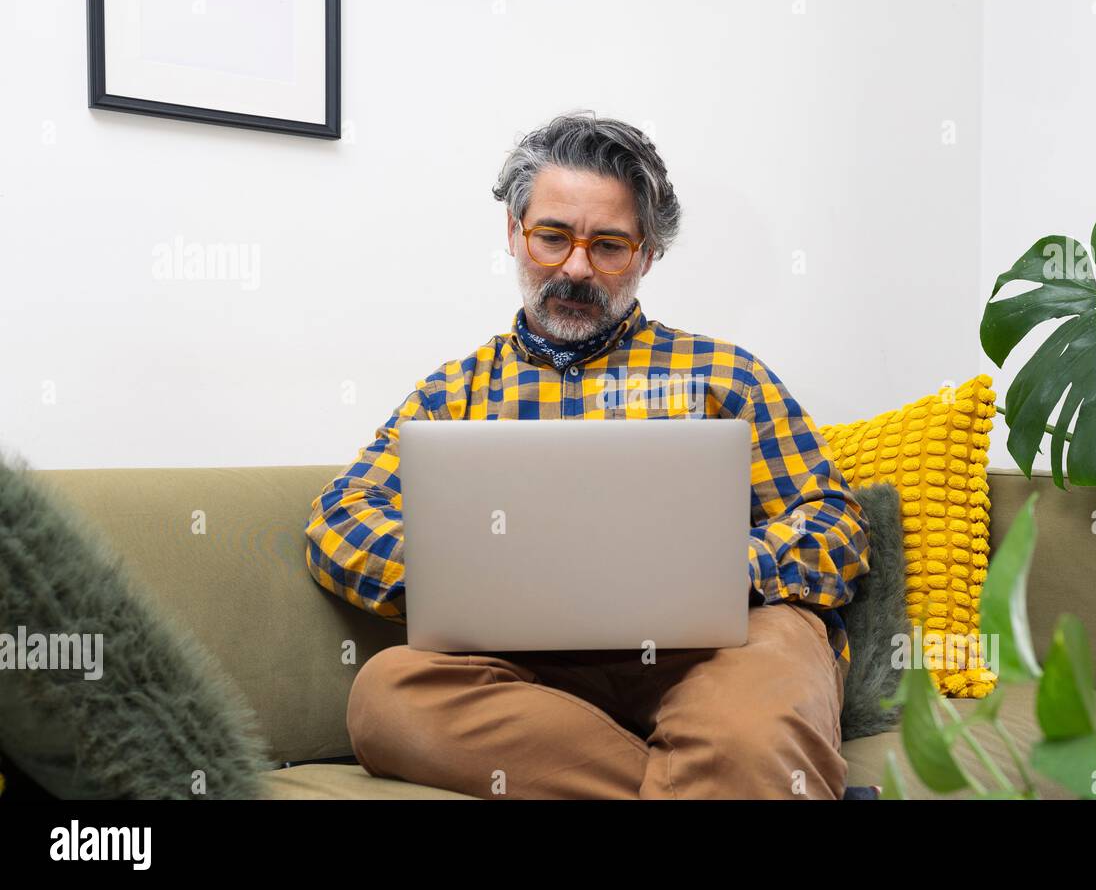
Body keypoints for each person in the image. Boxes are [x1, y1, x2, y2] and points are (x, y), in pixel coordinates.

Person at [304, 110, 875, 800]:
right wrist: (480, 573)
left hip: (720, 649)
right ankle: (718, 778)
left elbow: (834, 521)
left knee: (750, 729)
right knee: (388, 697)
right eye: (552, 237)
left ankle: (730, 759)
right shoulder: (454, 393)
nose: (576, 267)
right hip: (535, 676)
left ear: (647, 255)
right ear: (514, 234)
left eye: (608, 246)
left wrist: (724, 571)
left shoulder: (726, 375)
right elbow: (341, 517)